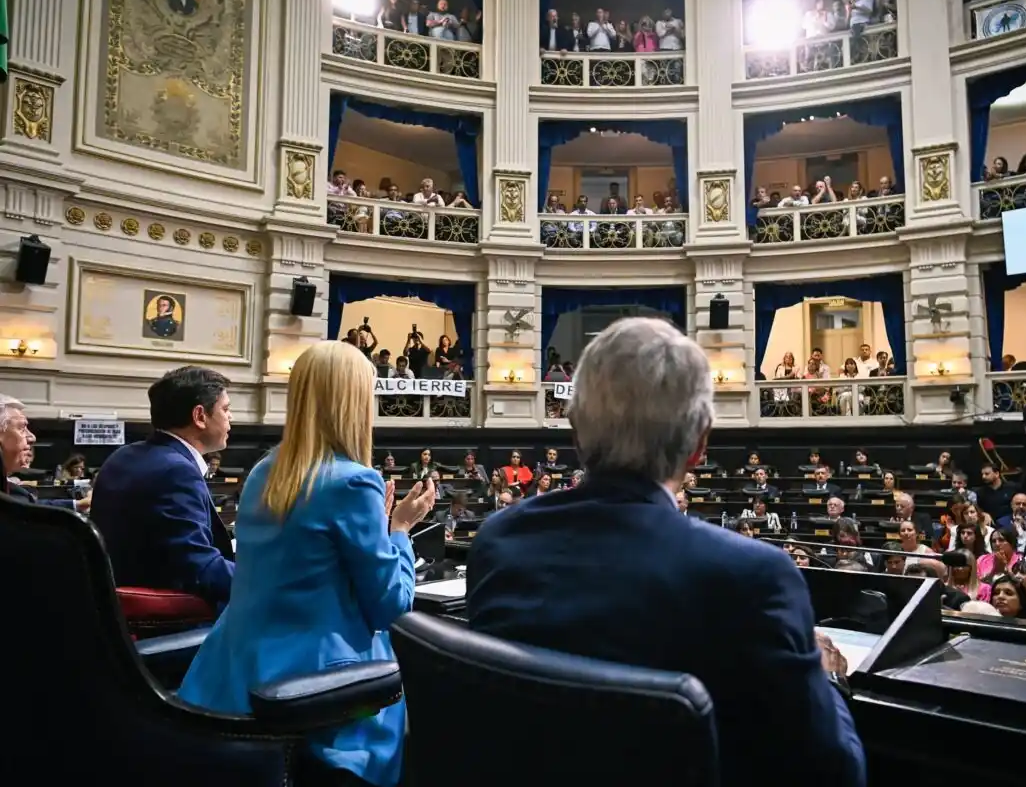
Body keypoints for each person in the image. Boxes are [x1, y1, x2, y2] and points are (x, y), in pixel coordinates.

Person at [466, 317, 865, 787]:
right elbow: (834, 775)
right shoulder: (756, 578)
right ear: (699, 445)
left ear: (574, 430)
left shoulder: (498, 541)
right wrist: (829, 681)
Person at [179, 341, 436, 787]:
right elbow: (391, 606)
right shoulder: (354, 482)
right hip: (321, 690)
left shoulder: (264, 471)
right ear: (353, 403)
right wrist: (400, 529)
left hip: (231, 675)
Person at [90, 367, 236, 607]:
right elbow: (199, 569)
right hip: (169, 614)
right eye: (225, 409)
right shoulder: (177, 471)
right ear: (200, 416)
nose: (230, 418)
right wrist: (265, 581)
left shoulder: (124, 455)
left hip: (113, 607)